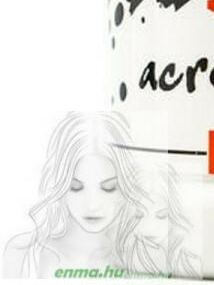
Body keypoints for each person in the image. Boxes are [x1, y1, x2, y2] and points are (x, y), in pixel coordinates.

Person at [3, 112, 142, 278]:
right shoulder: (23, 254)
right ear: (60, 185)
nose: (92, 205)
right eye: (75, 188)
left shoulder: (142, 258)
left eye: (108, 188)